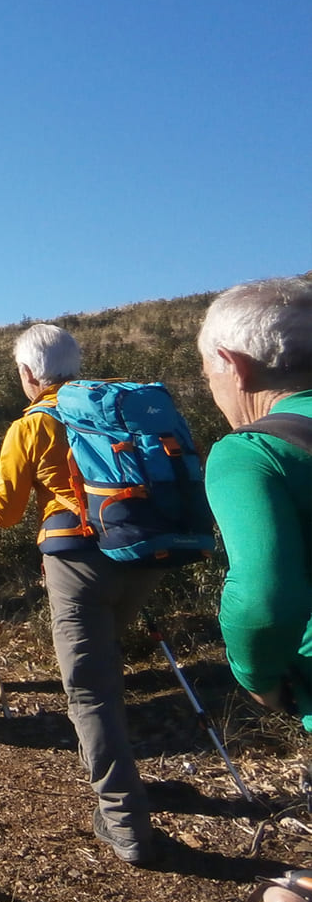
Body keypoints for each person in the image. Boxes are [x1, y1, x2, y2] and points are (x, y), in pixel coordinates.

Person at [0, 323, 164, 866]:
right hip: (141, 555)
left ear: (27, 373)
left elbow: (2, 511)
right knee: (106, 672)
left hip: (77, 561)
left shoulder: (33, 426)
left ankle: (124, 823)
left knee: (89, 690)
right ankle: (129, 787)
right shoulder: (114, 406)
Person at [196, 277, 312, 733]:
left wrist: (258, 678)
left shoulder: (250, 452)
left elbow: (262, 599)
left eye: (209, 375)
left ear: (233, 365)